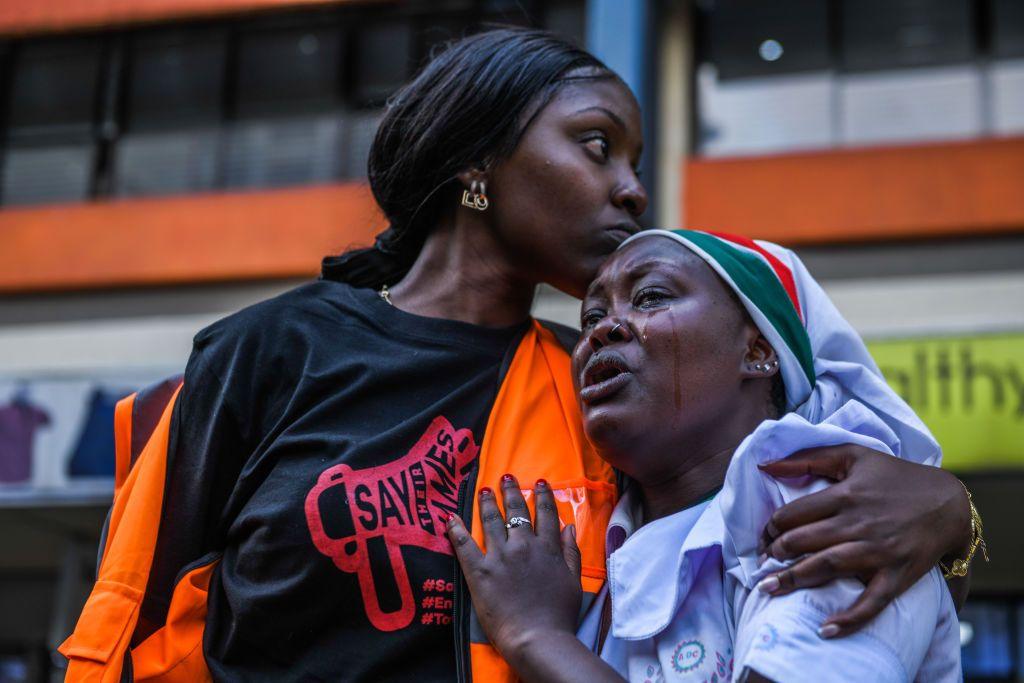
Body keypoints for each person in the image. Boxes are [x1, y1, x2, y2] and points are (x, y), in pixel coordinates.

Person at [61, 30, 974, 683]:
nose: (632, 187)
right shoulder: (267, 352)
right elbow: (122, 627)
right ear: (478, 165)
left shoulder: (608, 389)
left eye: (634, 160)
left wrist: (949, 510)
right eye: (596, 146)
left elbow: (746, 500)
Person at [446, 228, 980, 682]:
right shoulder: (597, 541)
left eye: (652, 296)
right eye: (590, 318)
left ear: (758, 350)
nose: (600, 332)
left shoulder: (840, 518)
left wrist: (537, 638)